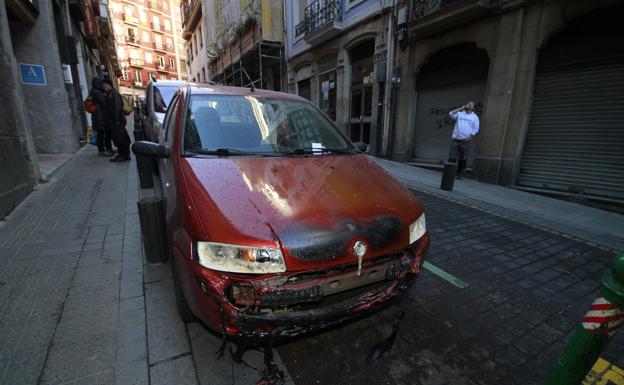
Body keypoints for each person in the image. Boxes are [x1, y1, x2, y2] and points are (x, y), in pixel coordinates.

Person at [101, 78, 131, 162]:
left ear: (109, 85)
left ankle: (124, 155)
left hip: (117, 121)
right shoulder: (110, 94)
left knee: (120, 138)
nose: (104, 89)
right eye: (103, 87)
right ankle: (124, 154)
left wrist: (117, 121)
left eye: (105, 87)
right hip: (115, 121)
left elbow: (117, 108)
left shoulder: (113, 94)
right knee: (119, 138)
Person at [448, 101, 479, 177]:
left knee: (463, 158)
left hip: (465, 140)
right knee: (452, 157)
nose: (469, 105)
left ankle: (460, 173)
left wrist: (469, 137)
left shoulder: (475, 117)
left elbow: (475, 129)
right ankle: (449, 173)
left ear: (473, 108)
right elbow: (450, 114)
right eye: (468, 103)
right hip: (455, 139)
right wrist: (461, 108)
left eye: (471, 104)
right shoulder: (460, 113)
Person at [89, 77, 112, 155]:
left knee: (101, 134)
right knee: (101, 134)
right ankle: (102, 150)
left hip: (97, 116)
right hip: (100, 117)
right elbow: (103, 102)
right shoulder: (97, 92)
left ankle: (104, 149)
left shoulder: (93, 91)